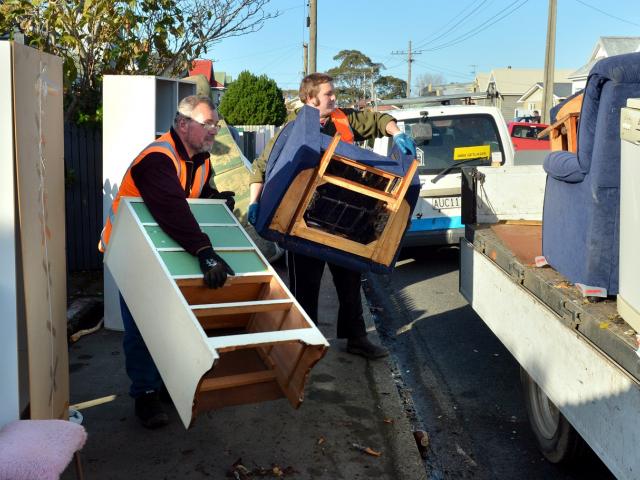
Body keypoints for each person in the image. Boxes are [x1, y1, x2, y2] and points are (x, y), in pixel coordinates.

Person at [247, 73, 416, 360]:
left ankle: (356, 338)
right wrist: (255, 202)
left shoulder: (344, 119)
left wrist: (395, 130)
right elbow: (261, 168)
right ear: (310, 98)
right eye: (328, 94)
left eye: (333, 94)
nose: (334, 98)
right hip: (303, 222)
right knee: (305, 288)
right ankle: (304, 343)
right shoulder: (292, 129)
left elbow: (377, 120)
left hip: (344, 220)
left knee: (350, 284)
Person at [99, 95, 235, 429]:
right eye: (207, 124)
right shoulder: (156, 158)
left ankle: (162, 388)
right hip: (130, 250)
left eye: (215, 124)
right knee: (142, 327)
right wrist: (205, 253)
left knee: (170, 323)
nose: (213, 131)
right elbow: (170, 208)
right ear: (183, 124)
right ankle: (144, 395)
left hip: (166, 250)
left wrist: (218, 201)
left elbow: (194, 198)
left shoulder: (201, 160)